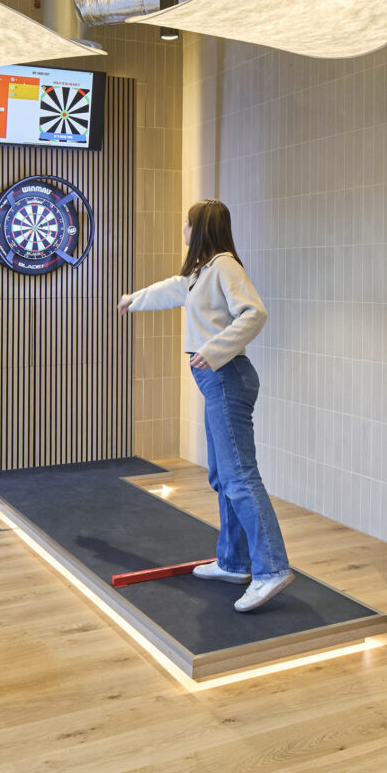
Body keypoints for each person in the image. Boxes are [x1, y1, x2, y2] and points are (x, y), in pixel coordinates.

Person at [118, 199, 293, 612]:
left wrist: (214, 350)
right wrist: (132, 299)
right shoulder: (202, 272)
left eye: (187, 223)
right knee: (222, 475)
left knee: (240, 478)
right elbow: (171, 289)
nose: (183, 229)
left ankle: (272, 569)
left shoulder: (227, 266)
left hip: (227, 378)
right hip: (217, 381)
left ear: (200, 228)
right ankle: (234, 562)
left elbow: (254, 313)